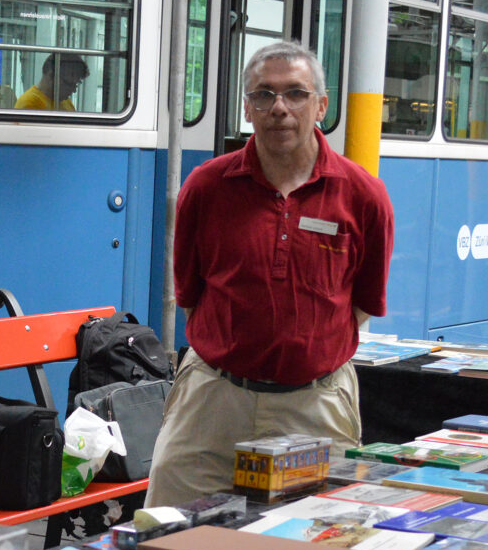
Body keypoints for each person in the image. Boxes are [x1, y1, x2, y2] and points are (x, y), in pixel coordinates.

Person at [144, 41, 395, 508]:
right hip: (212, 400)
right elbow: (191, 294)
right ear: (247, 107)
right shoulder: (206, 187)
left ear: (320, 105)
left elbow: (361, 305)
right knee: (168, 533)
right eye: (264, 95)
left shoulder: (363, 196)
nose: (279, 108)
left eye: (295, 94)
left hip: (314, 406)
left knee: (311, 546)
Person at [13, 54, 88, 111]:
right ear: (51, 76)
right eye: (69, 84)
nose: (74, 90)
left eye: (76, 84)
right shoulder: (29, 104)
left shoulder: (64, 101)